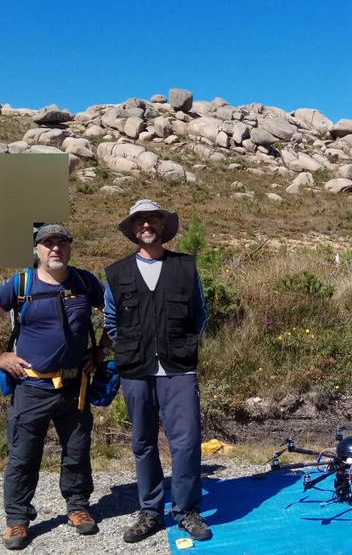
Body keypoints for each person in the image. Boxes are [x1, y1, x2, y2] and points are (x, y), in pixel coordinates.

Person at [0, 224, 112, 550]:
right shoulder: (20, 284)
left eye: (62, 243)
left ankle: (77, 508)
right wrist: (0, 355)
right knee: (22, 456)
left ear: (70, 248)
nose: (55, 249)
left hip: (76, 386)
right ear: (37, 249)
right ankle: (17, 520)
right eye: (48, 244)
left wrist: (101, 350)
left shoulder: (85, 282)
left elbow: (115, 315)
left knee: (77, 453)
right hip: (31, 388)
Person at [103, 199, 211, 543]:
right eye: (140, 221)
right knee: (143, 443)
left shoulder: (185, 267)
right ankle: (150, 512)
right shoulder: (116, 272)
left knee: (187, 442)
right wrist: (136, 345)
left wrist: (176, 343)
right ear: (133, 229)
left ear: (162, 226)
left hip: (179, 369)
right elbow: (110, 320)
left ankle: (186, 511)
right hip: (136, 370)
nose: (146, 225)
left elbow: (200, 314)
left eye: (152, 220)